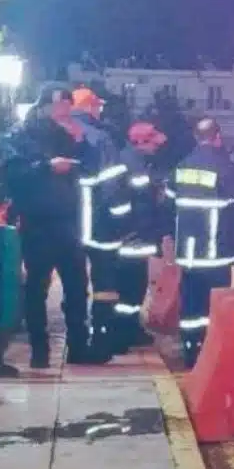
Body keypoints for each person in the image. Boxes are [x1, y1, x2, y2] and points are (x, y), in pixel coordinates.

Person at [3, 85, 110, 368]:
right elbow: (13, 173)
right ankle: (39, 350)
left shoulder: (68, 134)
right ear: (44, 106)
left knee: (77, 286)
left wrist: (81, 142)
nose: (65, 109)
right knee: (37, 287)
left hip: (69, 221)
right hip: (36, 222)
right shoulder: (21, 135)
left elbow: (90, 168)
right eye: (60, 103)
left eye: (68, 103)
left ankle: (79, 347)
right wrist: (47, 166)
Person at [167, 117, 234, 368]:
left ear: (196, 137)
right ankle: (212, 352)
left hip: (188, 253)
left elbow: (169, 200)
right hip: (216, 253)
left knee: (191, 305)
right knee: (215, 306)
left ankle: (191, 350)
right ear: (218, 137)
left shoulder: (182, 167)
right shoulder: (227, 169)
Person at [72, 85, 126, 357]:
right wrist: (121, 217)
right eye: (98, 106)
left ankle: (76, 341)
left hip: (68, 225)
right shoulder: (102, 139)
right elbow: (111, 184)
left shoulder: (59, 134)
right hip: (99, 223)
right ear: (90, 107)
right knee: (104, 282)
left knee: (73, 283)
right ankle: (103, 339)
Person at [112, 121, 170, 351]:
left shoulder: (138, 161)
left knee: (137, 286)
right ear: (140, 141)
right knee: (130, 287)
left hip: (137, 235)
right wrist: (129, 229)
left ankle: (131, 328)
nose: (156, 146)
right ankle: (123, 332)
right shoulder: (131, 163)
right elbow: (125, 200)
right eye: (152, 142)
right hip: (131, 237)